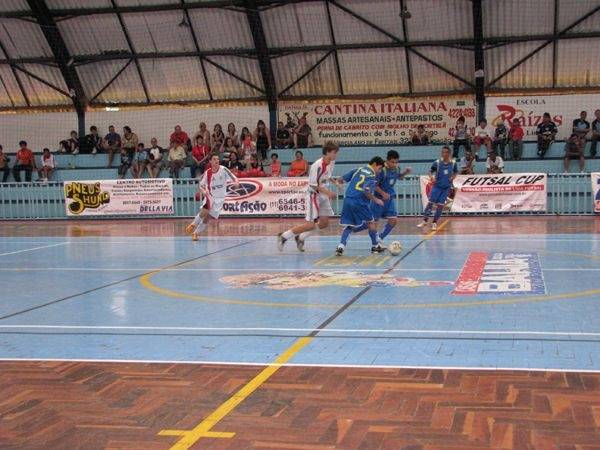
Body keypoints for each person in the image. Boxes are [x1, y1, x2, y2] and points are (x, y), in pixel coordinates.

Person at [278, 141, 340, 252]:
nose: (336, 154)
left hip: (323, 195)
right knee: (311, 225)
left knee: (324, 223)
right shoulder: (317, 165)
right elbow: (313, 185)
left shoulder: (331, 162)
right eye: (335, 152)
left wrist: (335, 183)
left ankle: (301, 237)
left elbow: (327, 176)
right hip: (314, 195)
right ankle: (284, 236)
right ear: (328, 152)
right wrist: (328, 192)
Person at [335, 157, 386, 256]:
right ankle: (375, 246)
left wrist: (338, 184)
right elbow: (366, 190)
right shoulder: (372, 176)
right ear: (374, 164)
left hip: (348, 200)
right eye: (379, 168)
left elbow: (340, 180)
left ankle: (341, 246)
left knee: (350, 225)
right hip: (359, 202)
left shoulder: (357, 170)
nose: (379, 171)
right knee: (371, 222)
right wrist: (376, 200)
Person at [185, 153, 239, 241]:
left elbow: (233, 177)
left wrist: (236, 182)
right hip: (210, 196)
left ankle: (195, 233)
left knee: (207, 218)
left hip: (220, 198)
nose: (216, 161)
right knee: (204, 212)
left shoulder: (223, 169)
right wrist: (203, 191)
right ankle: (193, 224)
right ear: (210, 161)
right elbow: (201, 185)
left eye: (217, 159)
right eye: (214, 159)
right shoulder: (208, 173)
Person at [369, 150, 411, 246]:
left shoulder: (397, 168)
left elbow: (399, 177)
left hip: (389, 199)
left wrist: (405, 172)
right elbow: (374, 185)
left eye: (396, 162)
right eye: (392, 162)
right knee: (374, 222)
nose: (394, 164)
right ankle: (374, 244)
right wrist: (383, 193)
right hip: (378, 199)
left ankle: (379, 238)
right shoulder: (381, 170)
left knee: (393, 220)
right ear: (387, 160)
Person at [417, 146, 457, 231]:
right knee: (430, 203)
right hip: (437, 187)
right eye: (442, 152)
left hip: (446, 188)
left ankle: (434, 223)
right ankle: (425, 220)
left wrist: (453, 177)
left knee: (440, 206)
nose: (444, 154)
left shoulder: (453, 163)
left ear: (449, 153)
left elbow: (456, 172)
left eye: (446, 152)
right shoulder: (437, 163)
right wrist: (432, 177)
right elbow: (430, 172)